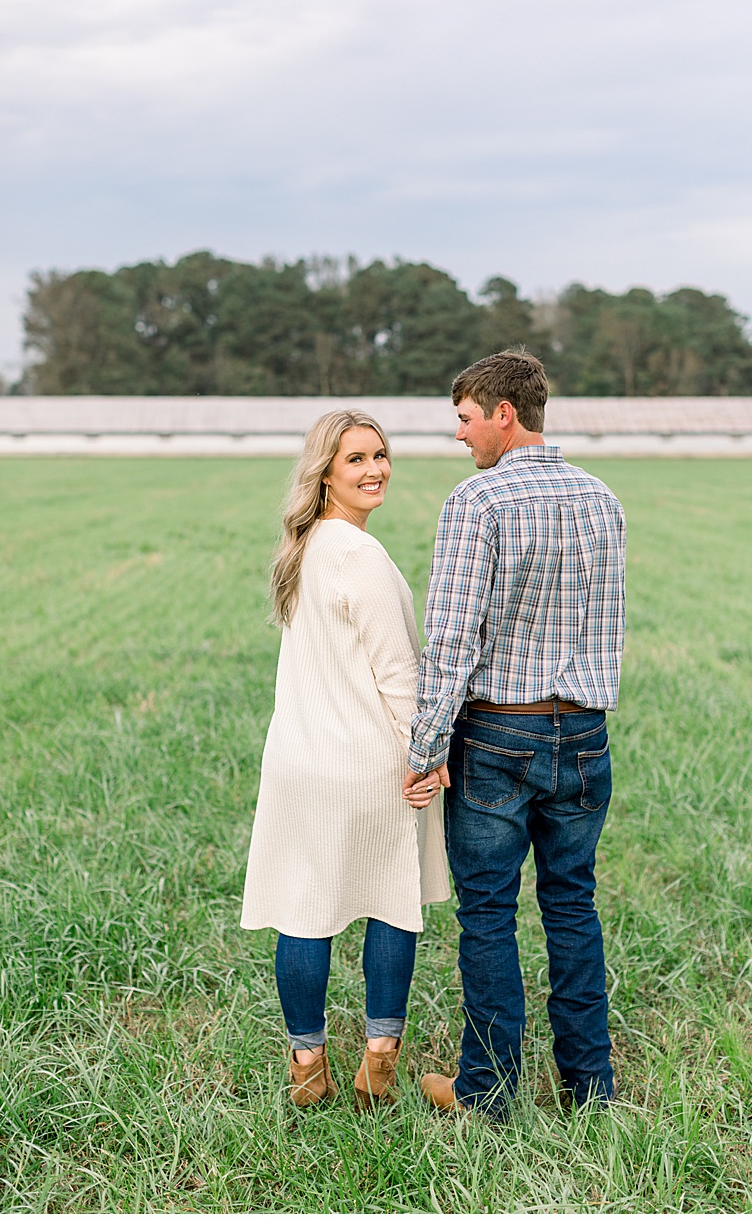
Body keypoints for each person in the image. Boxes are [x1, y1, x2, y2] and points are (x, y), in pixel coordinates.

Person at [401, 349, 626, 1120]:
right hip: (585, 736)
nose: (459, 436)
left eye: (464, 418)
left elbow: (453, 639)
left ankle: (488, 1091)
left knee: (489, 911)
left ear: (504, 413)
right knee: (572, 904)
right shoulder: (604, 499)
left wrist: (425, 749)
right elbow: (610, 628)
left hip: (499, 734)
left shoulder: (479, 502)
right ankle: (589, 1089)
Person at [241, 409, 449, 1109]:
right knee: (390, 901)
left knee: (305, 910)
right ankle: (380, 1063)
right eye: (356, 458)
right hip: (366, 764)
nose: (374, 470)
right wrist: (427, 756)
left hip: (299, 761)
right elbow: (398, 675)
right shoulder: (360, 556)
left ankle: (307, 1069)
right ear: (325, 471)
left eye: (381, 455)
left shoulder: (305, 549)